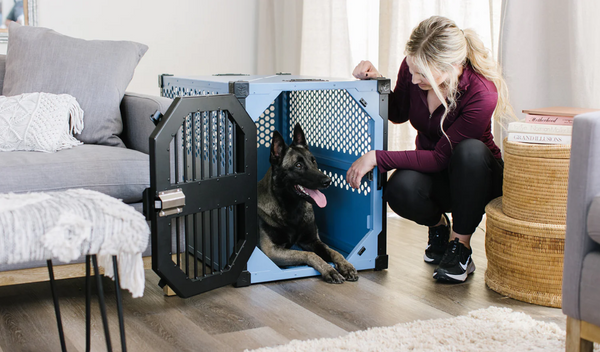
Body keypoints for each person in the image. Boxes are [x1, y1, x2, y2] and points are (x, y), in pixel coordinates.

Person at [347, 16, 514, 283]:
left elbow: (441, 157)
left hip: (477, 179)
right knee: (399, 189)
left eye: (422, 74)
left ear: (453, 67)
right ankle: (439, 228)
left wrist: (377, 158)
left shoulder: (482, 93)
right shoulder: (413, 66)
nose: (413, 79)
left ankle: (461, 247)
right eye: (411, 70)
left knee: (469, 151)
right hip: (438, 175)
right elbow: (399, 112)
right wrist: (375, 81)